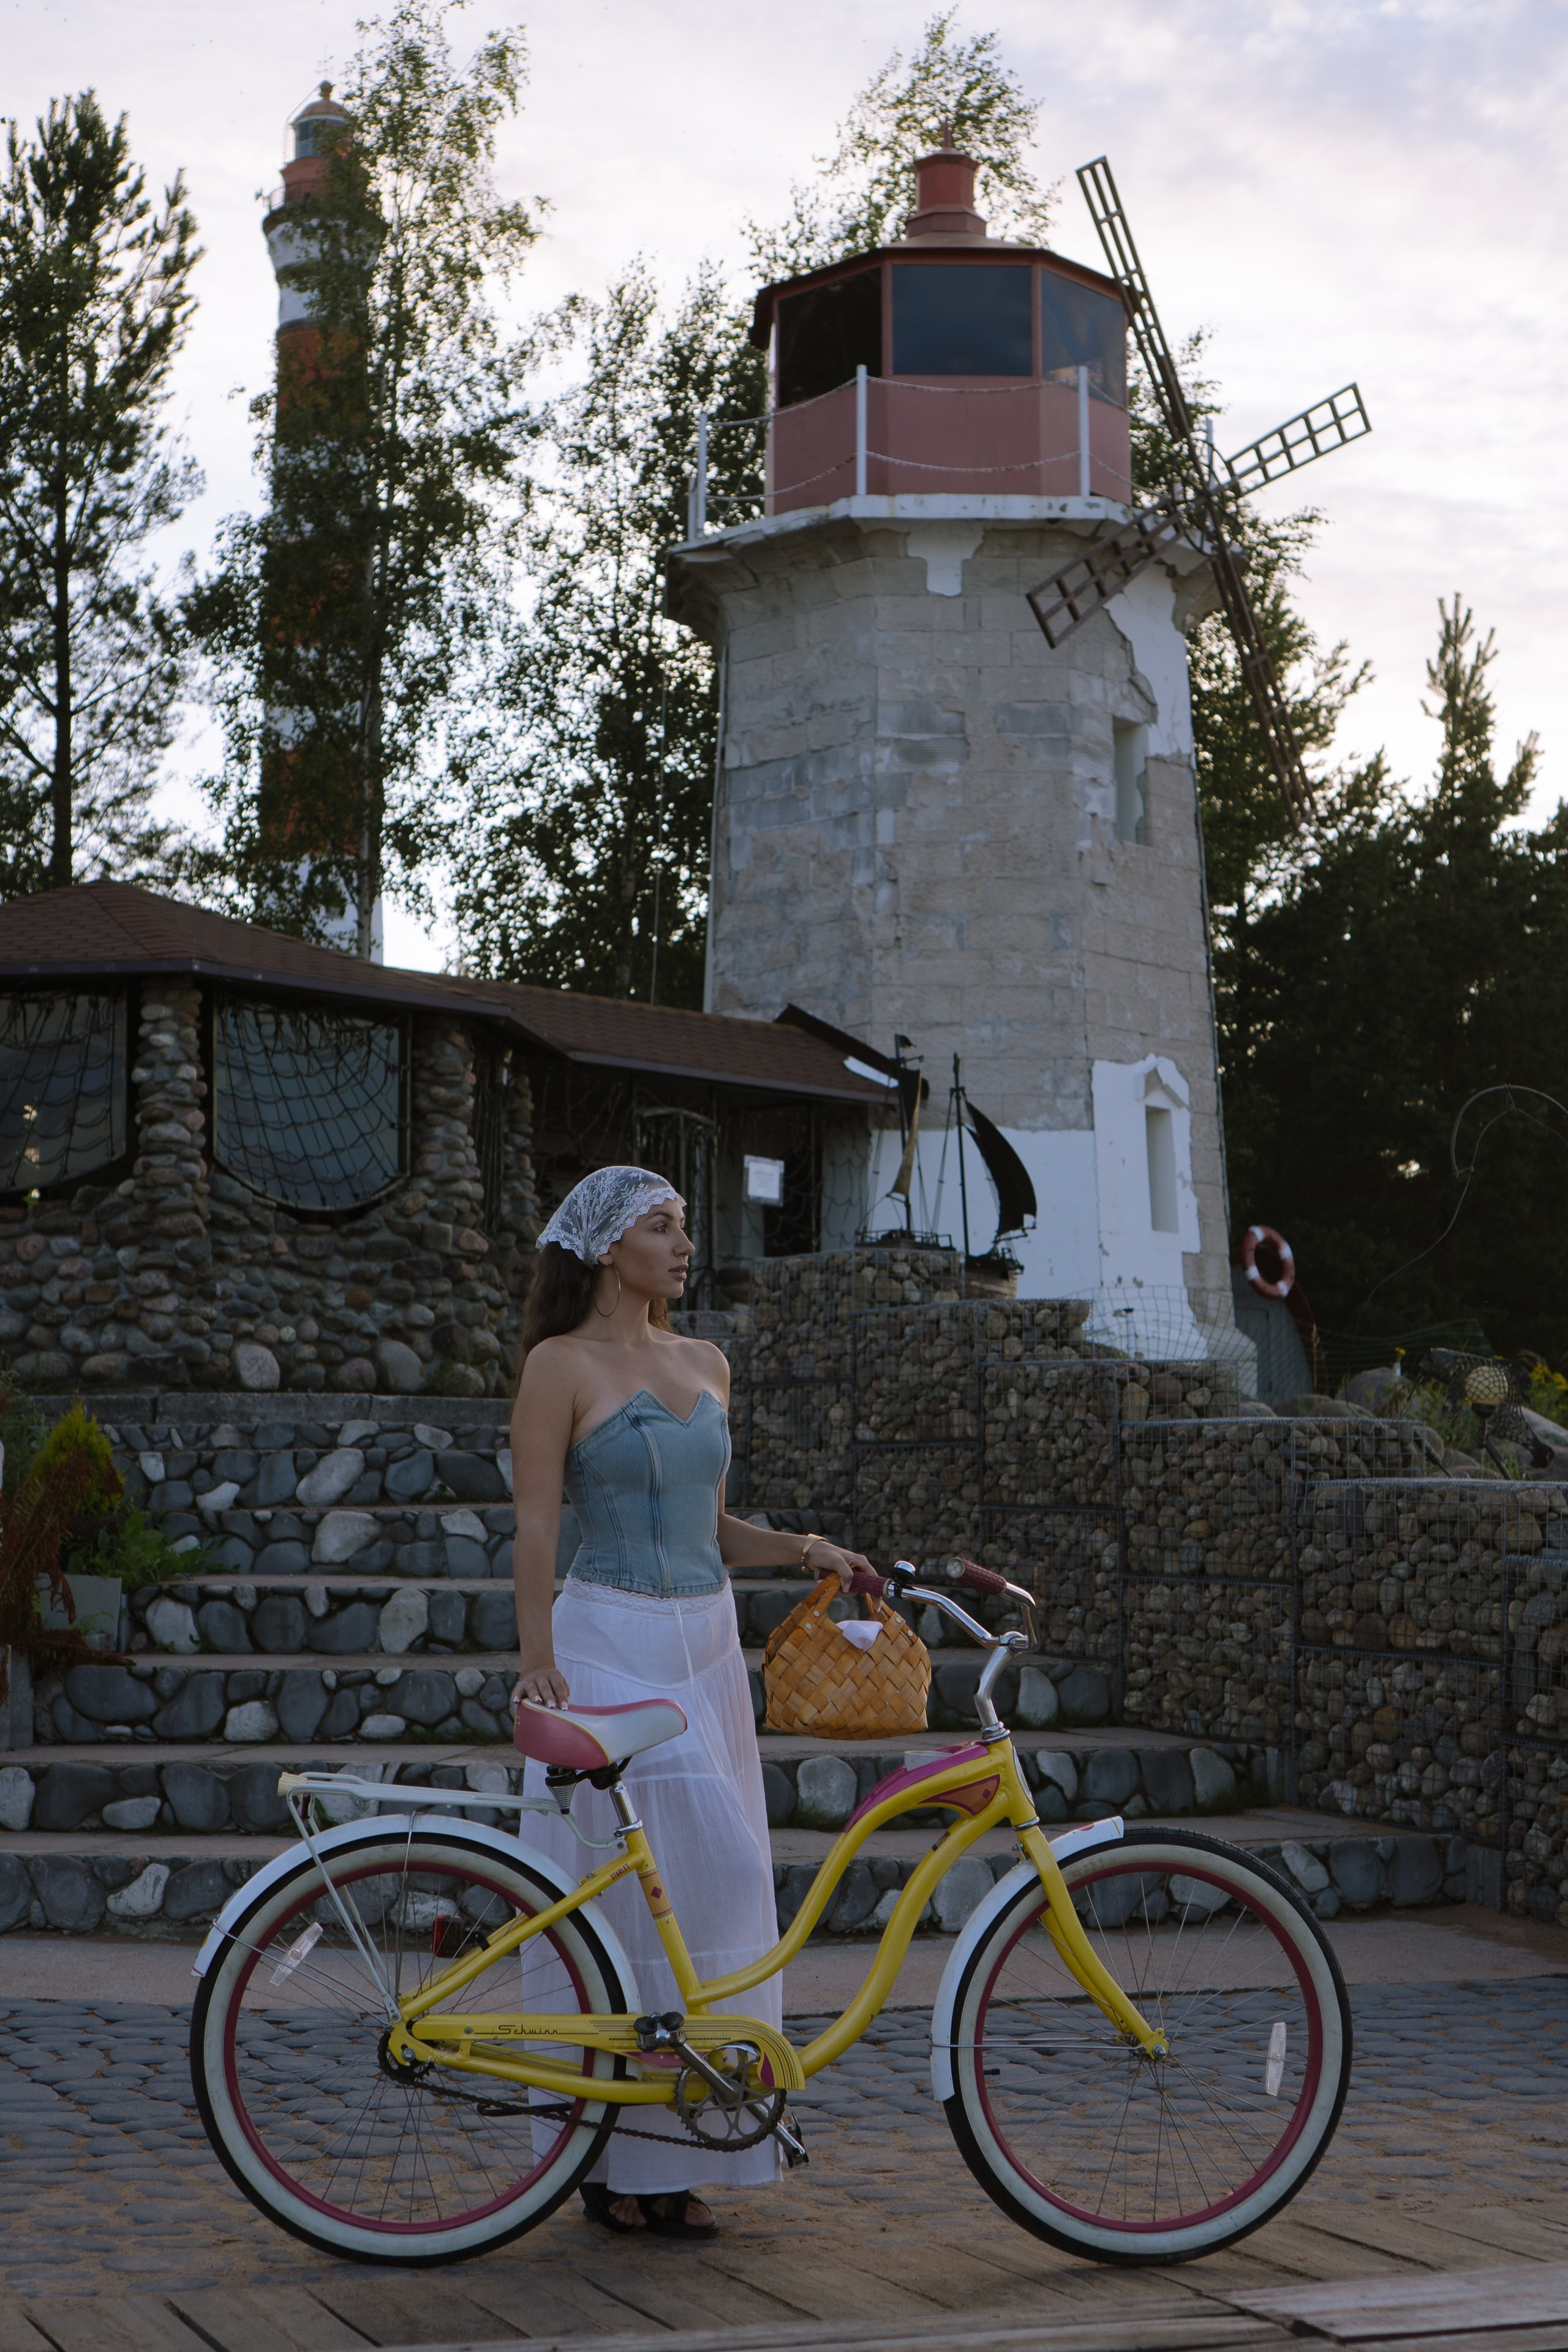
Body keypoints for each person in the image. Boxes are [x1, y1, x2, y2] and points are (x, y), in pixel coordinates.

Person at [509, 1166, 871, 2241]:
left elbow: (719, 1531)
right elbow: (534, 1526)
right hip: (605, 1643)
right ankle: (602, 2155)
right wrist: (538, 1657)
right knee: (619, 1898)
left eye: (682, 1224)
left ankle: (680, 2144)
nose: (682, 1243)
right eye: (660, 1227)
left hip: (707, 1646)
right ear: (606, 1248)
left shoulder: (708, 1362)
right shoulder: (558, 1365)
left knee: (715, 1891)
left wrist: (811, 1550)